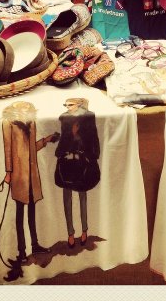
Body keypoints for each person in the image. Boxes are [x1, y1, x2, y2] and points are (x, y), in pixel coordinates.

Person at [2, 101, 54, 267]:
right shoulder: (8, 123)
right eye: (23, 109)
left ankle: (35, 245)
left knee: (32, 212)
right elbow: (7, 150)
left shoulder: (31, 123)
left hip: (32, 175)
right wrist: (8, 173)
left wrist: (46, 140)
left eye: (28, 109)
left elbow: (32, 149)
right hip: (19, 176)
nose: (26, 111)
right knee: (19, 215)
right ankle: (22, 252)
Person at [54, 98, 100, 248]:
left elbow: (93, 140)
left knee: (82, 196)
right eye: (66, 105)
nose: (68, 107)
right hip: (67, 162)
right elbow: (63, 141)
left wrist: (80, 142)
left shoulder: (88, 117)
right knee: (67, 198)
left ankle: (84, 230)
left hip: (82, 162)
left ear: (79, 105)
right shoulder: (65, 118)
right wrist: (64, 148)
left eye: (71, 105)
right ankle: (70, 233)